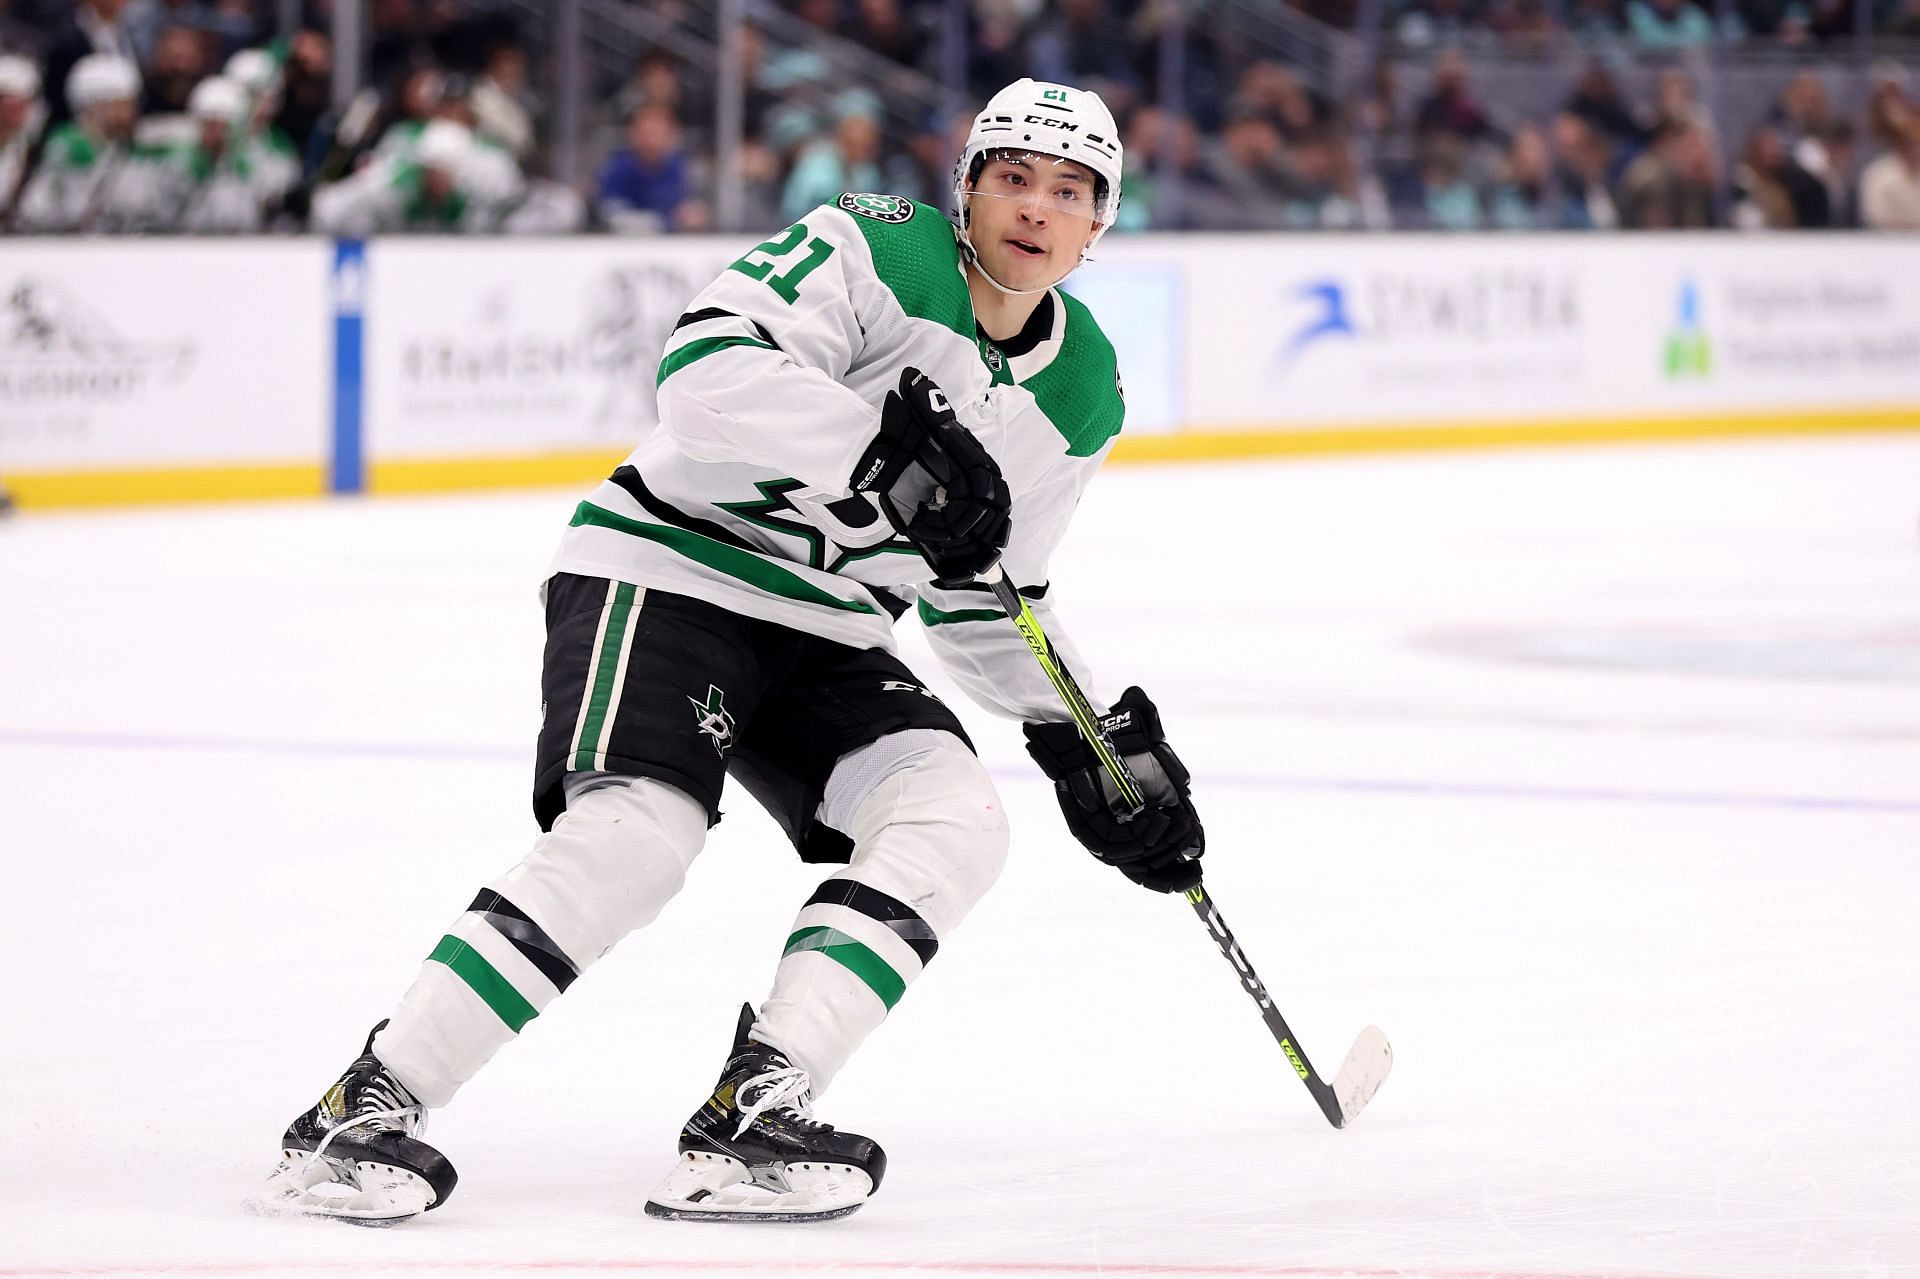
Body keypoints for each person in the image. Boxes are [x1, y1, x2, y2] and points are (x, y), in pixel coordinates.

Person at [259, 76, 1203, 1227]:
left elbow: (987, 585)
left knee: (955, 815)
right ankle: (362, 1105)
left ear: (1101, 223)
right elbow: (702, 369)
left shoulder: (1084, 387)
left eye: (1069, 191)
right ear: (965, 188)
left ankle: (755, 1112)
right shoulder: (873, 246)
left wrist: (1083, 733)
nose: (1035, 208)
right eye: (1011, 176)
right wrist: (879, 455)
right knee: (638, 836)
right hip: (672, 569)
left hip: (835, 626)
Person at [14, 53, 143, 233]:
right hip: (55, 238)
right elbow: (71, 211)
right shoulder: (71, 143)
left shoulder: (116, 146)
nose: (130, 111)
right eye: (122, 104)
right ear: (98, 105)